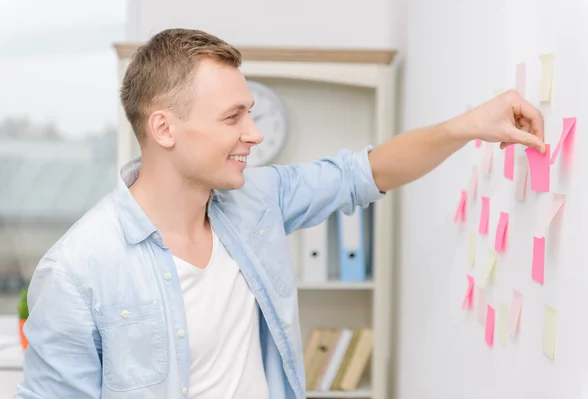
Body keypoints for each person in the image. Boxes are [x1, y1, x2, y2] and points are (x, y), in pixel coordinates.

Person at [14, 28, 545, 399]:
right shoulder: (78, 270)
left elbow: (365, 172)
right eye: (233, 117)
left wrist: (470, 125)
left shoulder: (255, 200)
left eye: (250, 112)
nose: (255, 132)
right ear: (164, 129)